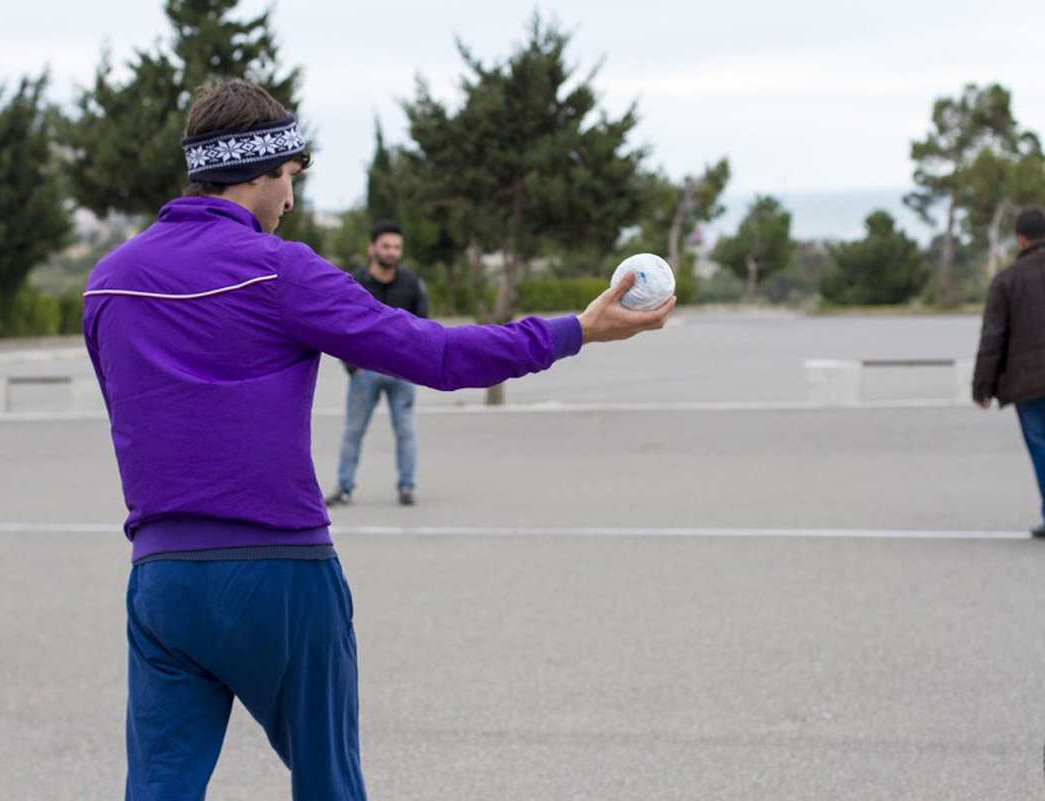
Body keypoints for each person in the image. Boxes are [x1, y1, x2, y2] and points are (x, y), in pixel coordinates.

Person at [83, 79, 675, 801]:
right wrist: (576, 330)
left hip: (162, 580)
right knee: (330, 784)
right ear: (261, 172)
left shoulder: (107, 283)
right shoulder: (281, 269)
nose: (292, 201)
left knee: (158, 791)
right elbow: (440, 356)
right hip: (279, 573)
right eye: (290, 179)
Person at [325, 220, 429, 507]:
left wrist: (416, 367)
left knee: (406, 430)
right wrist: (351, 366)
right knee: (353, 431)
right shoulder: (354, 282)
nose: (392, 252)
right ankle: (344, 487)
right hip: (365, 372)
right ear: (372, 248)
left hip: (402, 372)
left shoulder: (411, 284)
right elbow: (338, 325)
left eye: (397, 247)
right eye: (386, 246)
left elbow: (425, 326)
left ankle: (407, 486)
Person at [973, 206, 1045, 537]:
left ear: (1019, 239)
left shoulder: (1007, 281)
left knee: (1042, 446)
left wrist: (981, 387)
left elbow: (993, 336)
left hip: (1030, 382)